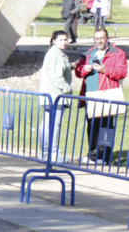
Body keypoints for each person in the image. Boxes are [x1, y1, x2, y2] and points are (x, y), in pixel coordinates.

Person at [73, 28, 127, 164]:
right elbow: (78, 71)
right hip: (90, 95)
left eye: (102, 38)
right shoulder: (89, 53)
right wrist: (83, 69)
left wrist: (105, 70)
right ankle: (93, 155)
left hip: (107, 96)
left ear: (107, 38)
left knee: (106, 128)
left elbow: (122, 72)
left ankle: (104, 157)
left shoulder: (118, 53)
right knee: (92, 127)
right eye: (97, 38)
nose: (99, 41)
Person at [39, 31, 73, 161]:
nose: (64, 42)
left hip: (50, 95)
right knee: (53, 124)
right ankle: (52, 152)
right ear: (54, 41)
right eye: (61, 40)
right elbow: (57, 77)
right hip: (56, 95)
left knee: (47, 123)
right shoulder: (56, 54)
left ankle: (45, 151)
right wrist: (68, 89)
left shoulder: (56, 54)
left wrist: (70, 67)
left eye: (66, 39)